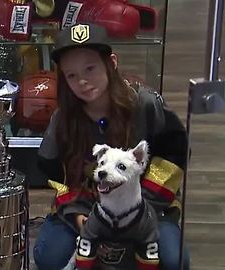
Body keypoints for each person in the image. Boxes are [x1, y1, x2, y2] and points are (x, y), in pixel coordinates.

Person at [33, 23, 190, 270]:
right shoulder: (63, 119)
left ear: (112, 63)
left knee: (173, 260)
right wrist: (78, 217)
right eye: (71, 75)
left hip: (147, 206)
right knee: (50, 257)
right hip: (87, 206)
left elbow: (174, 155)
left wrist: (136, 214)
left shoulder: (145, 104)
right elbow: (55, 172)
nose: (82, 81)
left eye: (90, 68)